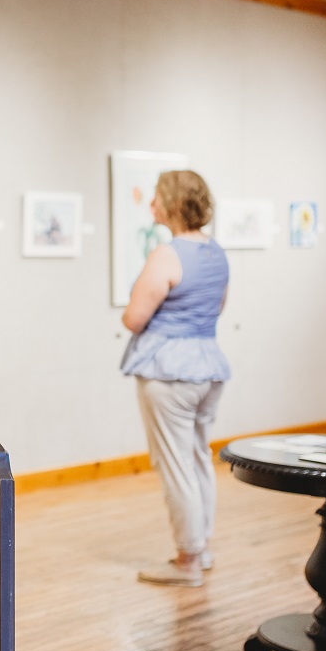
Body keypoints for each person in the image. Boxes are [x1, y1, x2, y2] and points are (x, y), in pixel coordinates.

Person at [121, 170, 230, 587]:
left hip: (169, 370)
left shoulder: (167, 254)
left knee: (175, 464)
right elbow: (218, 307)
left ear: (171, 204)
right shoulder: (217, 252)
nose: (151, 205)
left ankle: (186, 560)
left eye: (156, 197)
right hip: (208, 364)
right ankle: (201, 550)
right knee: (199, 456)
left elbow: (135, 317)